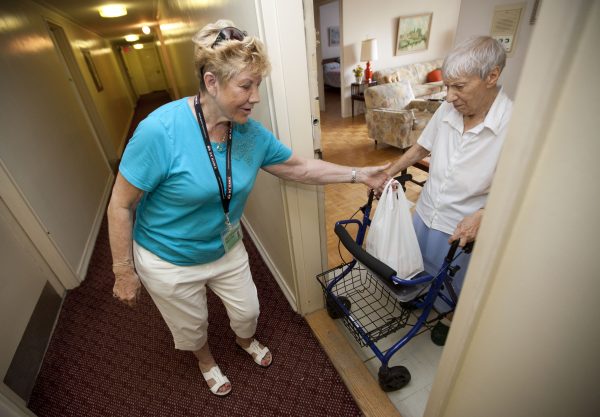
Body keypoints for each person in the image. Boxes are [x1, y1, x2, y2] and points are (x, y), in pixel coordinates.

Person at [107, 20, 390, 397]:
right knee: (190, 326)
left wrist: (360, 174)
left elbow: (299, 167)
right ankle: (206, 360)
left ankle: (244, 341)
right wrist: (123, 270)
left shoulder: (249, 133)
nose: (255, 97)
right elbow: (121, 204)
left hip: (224, 245)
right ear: (211, 82)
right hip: (168, 257)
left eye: (258, 85)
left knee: (247, 312)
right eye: (246, 85)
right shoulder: (160, 131)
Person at [386, 36, 512, 328]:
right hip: (427, 211)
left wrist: (484, 214)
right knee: (415, 271)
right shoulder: (448, 109)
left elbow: (517, 189)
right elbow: (421, 147)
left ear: (492, 76)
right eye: (446, 86)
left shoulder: (513, 124)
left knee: (448, 288)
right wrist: (389, 171)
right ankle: (416, 301)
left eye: (459, 87)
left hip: (460, 227)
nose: (449, 97)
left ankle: (444, 320)